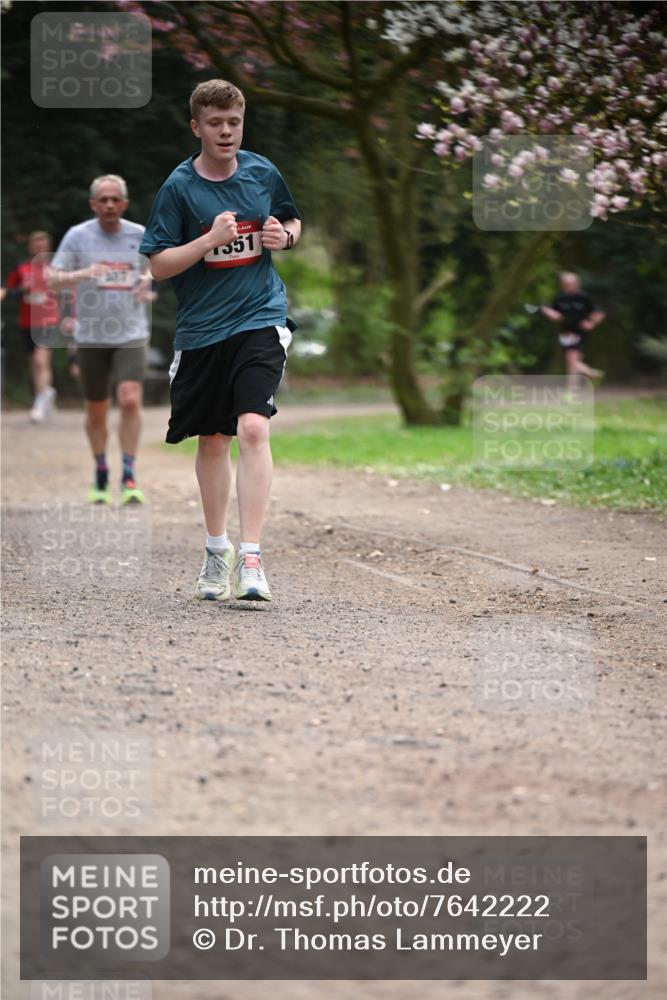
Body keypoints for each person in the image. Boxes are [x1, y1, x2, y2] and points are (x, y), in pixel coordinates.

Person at [139, 79, 301, 602]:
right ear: (197, 127)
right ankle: (217, 552)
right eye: (215, 123)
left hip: (260, 316)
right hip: (203, 329)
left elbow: (291, 218)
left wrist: (286, 236)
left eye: (234, 122)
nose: (226, 131)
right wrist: (208, 239)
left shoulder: (262, 171)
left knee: (253, 427)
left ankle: (252, 558)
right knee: (213, 439)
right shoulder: (179, 188)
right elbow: (159, 265)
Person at [48, 175, 154, 505]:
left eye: (115, 199)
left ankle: (129, 473)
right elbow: (52, 280)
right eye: (103, 200)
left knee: (130, 398)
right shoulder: (78, 237)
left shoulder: (139, 234)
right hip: (91, 335)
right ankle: (100, 471)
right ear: (93, 204)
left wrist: (146, 282)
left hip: (131, 333)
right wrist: (83, 274)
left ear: (124, 203)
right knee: (96, 409)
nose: (109, 205)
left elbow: (158, 267)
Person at [1, 231, 62, 422]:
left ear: (49, 246)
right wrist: (22, 289)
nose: (39, 247)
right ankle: (45, 396)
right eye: (36, 244)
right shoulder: (21, 269)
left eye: (43, 244)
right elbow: (8, 291)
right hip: (27, 321)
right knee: (35, 365)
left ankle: (39, 403)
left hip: (49, 320)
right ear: (30, 247)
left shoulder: (56, 267)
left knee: (40, 361)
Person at [541, 272, 605, 390]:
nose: (567, 285)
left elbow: (599, 313)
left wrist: (591, 323)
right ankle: (590, 374)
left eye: (570, 283)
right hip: (566, 332)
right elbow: (556, 315)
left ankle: (573, 388)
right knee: (572, 361)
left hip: (580, 332)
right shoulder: (559, 298)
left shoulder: (584, 298)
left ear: (577, 284)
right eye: (565, 283)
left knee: (571, 358)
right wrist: (550, 313)